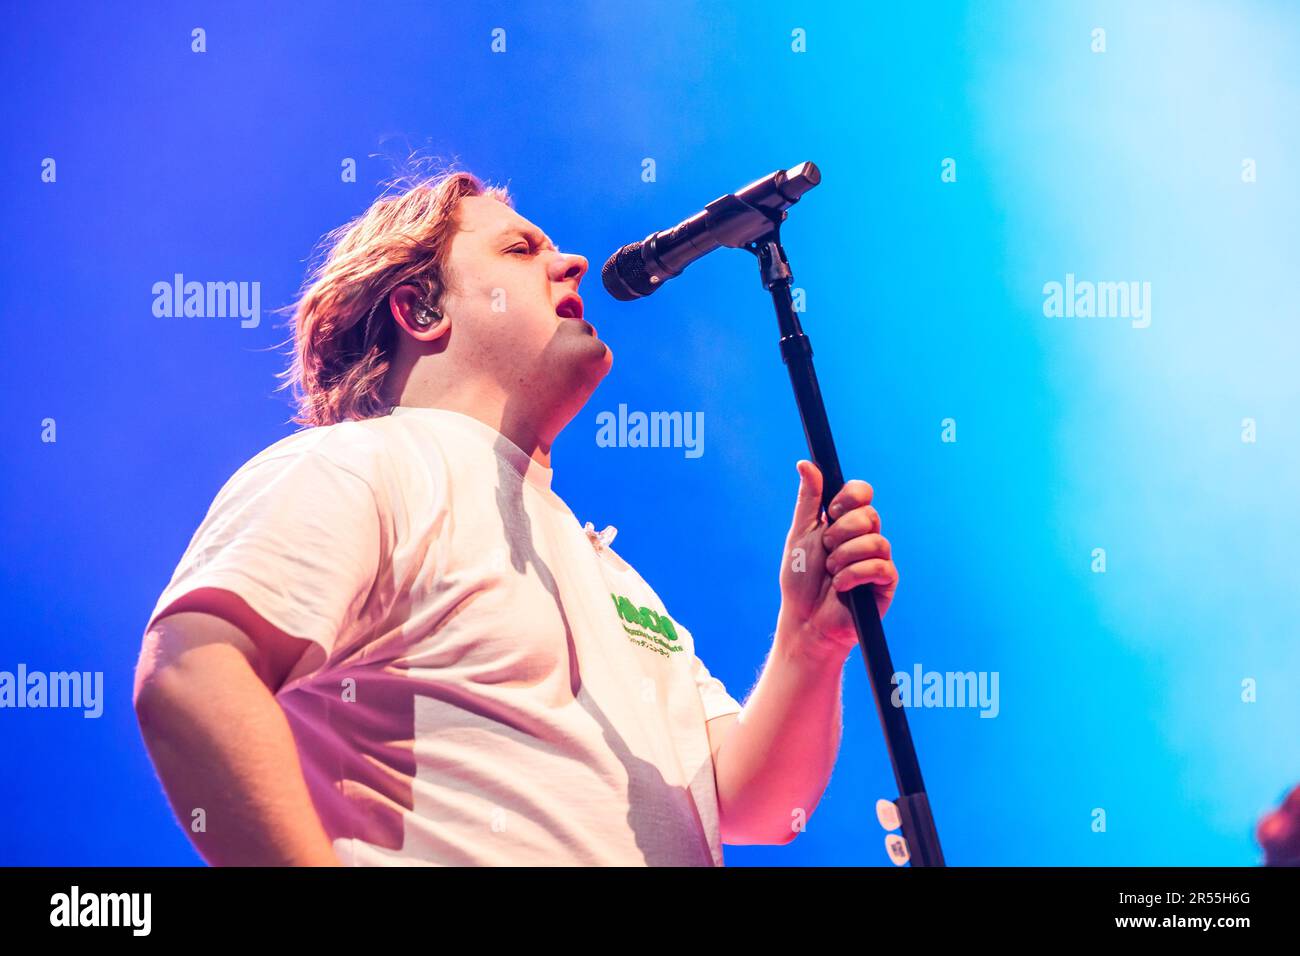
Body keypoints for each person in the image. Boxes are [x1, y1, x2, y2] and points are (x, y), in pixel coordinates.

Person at [131, 168, 899, 866]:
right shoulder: (362, 465)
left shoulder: (609, 571)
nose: (570, 266)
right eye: (520, 249)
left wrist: (807, 641)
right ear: (421, 307)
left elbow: (756, 806)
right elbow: (193, 671)